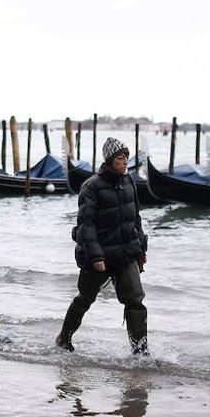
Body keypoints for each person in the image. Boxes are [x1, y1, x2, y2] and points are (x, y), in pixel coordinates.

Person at [56, 137, 149, 354]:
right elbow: (85, 225)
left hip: (126, 255)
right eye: (120, 158)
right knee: (85, 299)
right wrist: (97, 257)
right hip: (99, 257)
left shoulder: (129, 182)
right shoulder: (91, 186)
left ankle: (140, 353)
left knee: (136, 302)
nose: (125, 161)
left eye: (126, 157)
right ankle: (64, 338)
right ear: (109, 161)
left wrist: (141, 249)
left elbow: (136, 219)